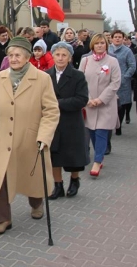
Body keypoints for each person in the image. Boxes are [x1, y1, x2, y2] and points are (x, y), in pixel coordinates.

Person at [0, 36, 59, 234]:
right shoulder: (1, 77)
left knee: (31, 176)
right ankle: (4, 219)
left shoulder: (42, 79)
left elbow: (51, 111)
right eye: (10, 55)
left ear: (27, 57)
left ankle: (36, 203)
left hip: (29, 138)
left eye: (17, 55)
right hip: (2, 137)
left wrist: (44, 136)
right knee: (0, 178)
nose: (13, 59)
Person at [46, 42, 89, 200]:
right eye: (57, 55)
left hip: (71, 121)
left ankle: (74, 180)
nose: (60, 58)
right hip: (52, 120)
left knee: (73, 154)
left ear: (70, 58)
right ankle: (58, 185)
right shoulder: (46, 75)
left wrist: (57, 103)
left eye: (64, 55)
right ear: (52, 56)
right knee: (54, 154)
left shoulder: (78, 76)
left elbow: (82, 99)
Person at [78, 33, 121, 178]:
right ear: (92, 45)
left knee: (101, 132)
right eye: (97, 43)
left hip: (106, 104)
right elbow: (80, 81)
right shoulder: (85, 61)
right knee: (92, 131)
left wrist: (100, 99)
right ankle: (99, 154)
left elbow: (115, 83)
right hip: (89, 104)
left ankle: (97, 161)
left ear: (106, 45)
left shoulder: (113, 61)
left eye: (102, 43)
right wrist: (88, 99)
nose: (100, 45)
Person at [109, 30, 136, 132]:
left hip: (123, 82)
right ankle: (111, 125)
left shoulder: (127, 51)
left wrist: (125, 77)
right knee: (110, 104)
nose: (117, 39)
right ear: (111, 38)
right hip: (109, 81)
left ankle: (119, 126)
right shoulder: (107, 49)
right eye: (115, 37)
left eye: (120, 37)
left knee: (121, 105)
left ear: (123, 39)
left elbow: (132, 66)